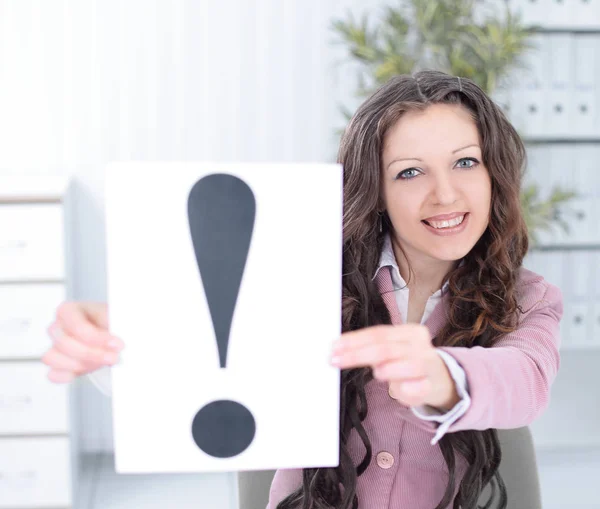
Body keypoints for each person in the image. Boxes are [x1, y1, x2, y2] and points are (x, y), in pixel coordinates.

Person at [43, 70, 563, 509]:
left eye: (465, 162)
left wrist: (442, 375)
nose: (445, 193)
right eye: (409, 172)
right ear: (377, 192)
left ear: (494, 172)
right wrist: (119, 345)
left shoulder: (530, 298)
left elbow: (525, 380)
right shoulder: (307, 274)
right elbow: (209, 358)